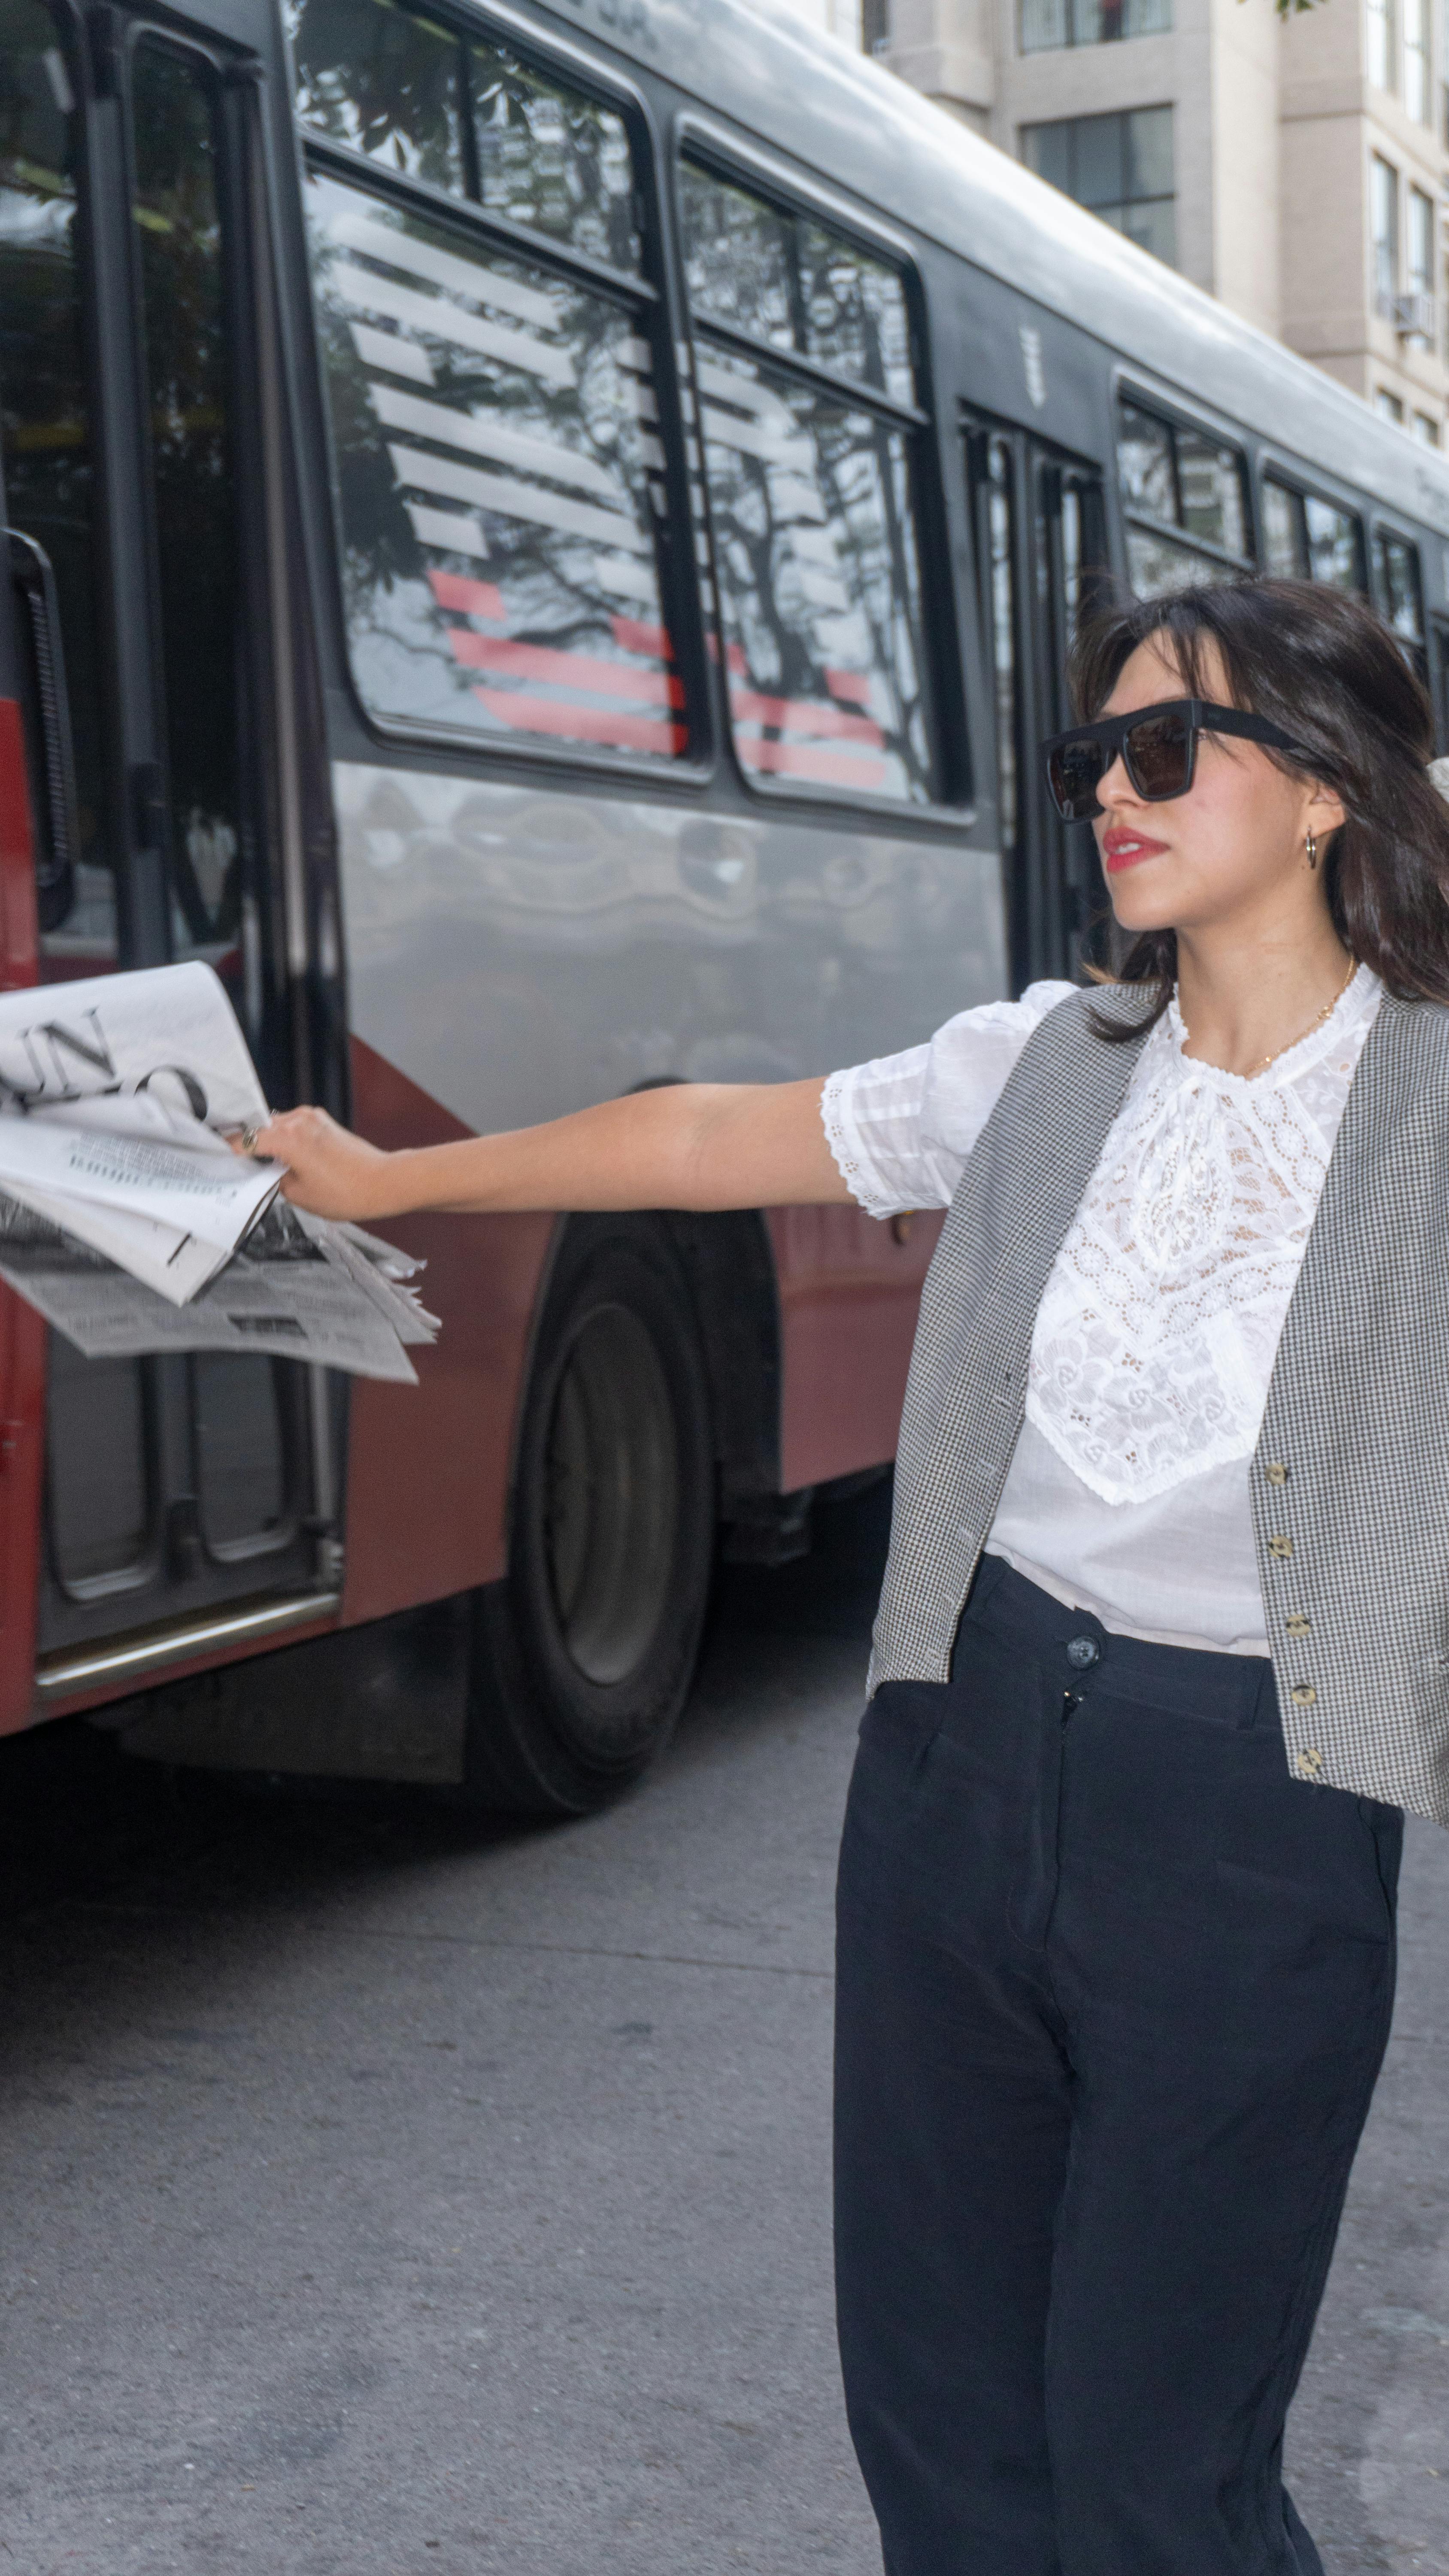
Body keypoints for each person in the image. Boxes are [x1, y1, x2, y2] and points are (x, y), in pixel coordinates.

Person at [250, 576, 1449, 2575]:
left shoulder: (1425, 1094)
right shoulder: (1046, 1060)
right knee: (947, 2437)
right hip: (953, 1764)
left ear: (1323, 790)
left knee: (1164, 2475)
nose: (1111, 796)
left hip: (1257, 1813)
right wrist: (393, 1181)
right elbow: (711, 1136)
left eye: (1169, 750)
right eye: (1092, 759)